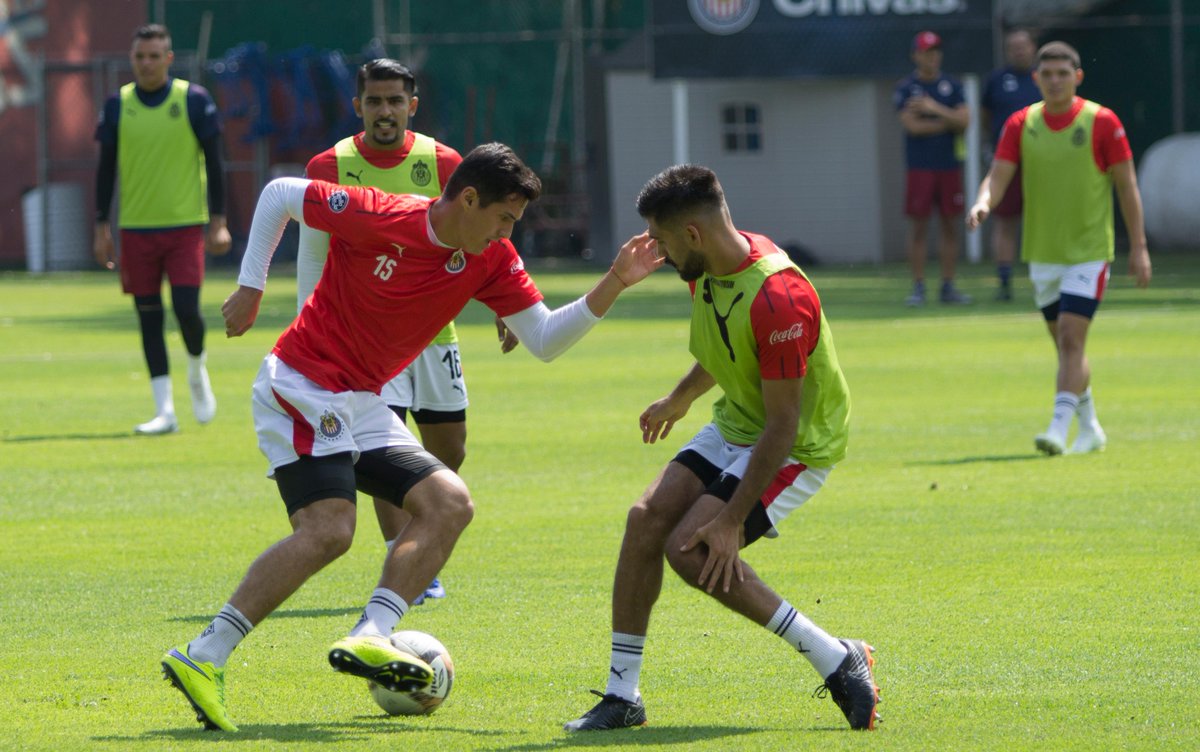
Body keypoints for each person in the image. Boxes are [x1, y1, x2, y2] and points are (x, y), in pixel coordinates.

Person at [159, 142, 663, 732]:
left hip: (362, 400)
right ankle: (204, 654)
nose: (507, 233)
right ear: (468, 199)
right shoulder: (381, 212)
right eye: (504, 218)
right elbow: (278, 197)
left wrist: (615, 282)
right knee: (329, 532)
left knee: (449, 502)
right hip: (302, 383)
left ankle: (372, 634)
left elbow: (545, 339)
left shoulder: (492, 258)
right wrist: (251, 287)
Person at [563, 165, 879, 733]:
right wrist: (679, 398)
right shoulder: (706, 265)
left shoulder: (780, 297)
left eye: (660, 240)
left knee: (692, 549)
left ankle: (834, 657)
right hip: (738, 421)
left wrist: (732, 519)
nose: (655, 252)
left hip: (797, 444)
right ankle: (621, 695)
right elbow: (726, 344)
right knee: (644, 520)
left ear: (691, 235)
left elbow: (783, 424)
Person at [298, 58, 486, 605]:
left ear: (413, 106)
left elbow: (482, 235)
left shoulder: (444, 162)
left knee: (449, 446)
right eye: (374, 101)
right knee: (389, 447)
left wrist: (505, 308)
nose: (385, 111)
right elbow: (315, 249)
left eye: (394, 101)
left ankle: (419, 534)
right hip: (367, 339)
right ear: (358, 106)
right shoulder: (330, 165)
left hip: (435, 333)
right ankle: (406, 559)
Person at [967, 41, 1152, 456]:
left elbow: (1127, 186)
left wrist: (1139, 247)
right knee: (1069, 347)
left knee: (1071, 338)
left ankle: (1057, 427)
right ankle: (1091, 428)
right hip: (1043, 253)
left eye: (1062, 74)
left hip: (1088, 251)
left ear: (1077, 77)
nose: (1054, 81)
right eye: (1046, 74)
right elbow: (998, 175)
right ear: (1035, 79)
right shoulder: (1020, 123)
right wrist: (983, 203)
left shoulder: (1102, 122)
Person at [94, 24, 231, 434]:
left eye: (155, 56)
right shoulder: (117, 106)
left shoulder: (193, 101)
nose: (147, 63)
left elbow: (217, 163)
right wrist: (102, 226)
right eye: (140, 57)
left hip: (185, 226)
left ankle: (196, 367)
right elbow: (105, 171)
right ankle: (164, 411)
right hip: (136, 229)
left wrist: (219, 222)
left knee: (187, 310)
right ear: (132, 60)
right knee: (148, 317)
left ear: (169, 59)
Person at [894, 30, 971, 306]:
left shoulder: (952, 86)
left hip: (948, 166)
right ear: (916, 55)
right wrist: (947, 122)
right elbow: (912, 126)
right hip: (920, 168)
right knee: (918, 228)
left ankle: (948, 286)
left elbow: (965, 122)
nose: (932, 57)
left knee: (950, 225)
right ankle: (918, 287)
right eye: (926, 51)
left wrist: (933, 109)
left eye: (936, 51)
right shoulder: (906, 88)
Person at [980, 28, 1041, 301]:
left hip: (1042, 163)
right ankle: (1005, 282)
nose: (1019, 51)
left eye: (1023, 45)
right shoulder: (995, 81)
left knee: (1042, 221)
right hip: (1008, 162)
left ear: (1033, 47)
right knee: (1005, 221)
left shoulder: (1045, 78)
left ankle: (1044, 277)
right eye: (1013, 46)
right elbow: (985, 117)